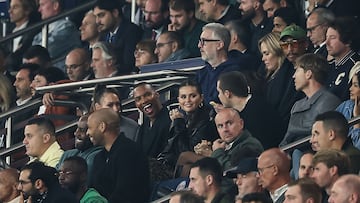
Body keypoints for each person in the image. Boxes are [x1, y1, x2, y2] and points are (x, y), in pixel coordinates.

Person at [88, 108, 150, 202]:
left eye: (90, 127)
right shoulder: (99, 158)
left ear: (102, 127)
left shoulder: (130, 152)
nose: (87, 132)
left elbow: (126, 194)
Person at [280, 53, 341, 146]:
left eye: (297, 71)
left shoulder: (328, 102)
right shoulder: (297, 105)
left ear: (308, 74)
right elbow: (287, 138)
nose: (293, 76)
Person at [215, 71, 284, 148]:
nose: (218, 96)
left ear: (227, 94)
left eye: (219, 92)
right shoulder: (246, 107)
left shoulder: (257, 111)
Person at [158, 80, 218, 166]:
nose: (188, 100)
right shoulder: (180, 117)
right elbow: (169, 148)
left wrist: (178, 123)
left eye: (193, 96)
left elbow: (187, 152)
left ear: (201, 98)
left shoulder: (207, 120)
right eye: (183, 97)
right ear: (178, 100)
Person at [258, 32, 301, 136]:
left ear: (278, 52)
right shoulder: (268, 76)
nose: (263, 59)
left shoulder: (289, 76)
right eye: (263, 54)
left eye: (267, 53)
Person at [93, 0, 142, 75]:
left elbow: (128, 64)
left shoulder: (131, 31)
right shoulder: (102, 37)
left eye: (101, 15)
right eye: (95, 17)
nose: (97, 21)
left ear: (115, 13)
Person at [196, 23, 239, 104]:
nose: (199, 45)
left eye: (203, 41)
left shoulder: (235, 73)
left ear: (219, 45)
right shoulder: (202, 73)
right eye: (199, 41)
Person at [32, 0, 81, 69]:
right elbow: (32, 53)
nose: (39, 10)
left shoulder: (67, 27)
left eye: (42, 5)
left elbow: (49, 50)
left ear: (55, 5)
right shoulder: (42, 31)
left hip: (62, 73)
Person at [56, 115, 102, 184]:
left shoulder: (96, 156)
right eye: (77, 128)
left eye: (83, 130)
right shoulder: (67, 154)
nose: (76, 133)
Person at [325, 17, 360, 101]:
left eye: (332, 38)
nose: (327, 42)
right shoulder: (329, 66)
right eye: (326, 37)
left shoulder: (356, 66)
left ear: (347, 41)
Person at [133, 82, 171, 157]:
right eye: (138, 99)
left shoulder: (170, 120)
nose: (144, 101)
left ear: (157, 95)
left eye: (147, 95)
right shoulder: (144, 126)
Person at [6, 0, 40, 70]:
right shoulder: (9, 34)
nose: (10, 11)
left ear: (27, 10)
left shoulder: (34, 31)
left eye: (15, 7)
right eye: (10, 7)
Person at [336, 65, 360, 149]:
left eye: (355, 85)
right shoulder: (346, 106)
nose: (350, 89)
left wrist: (357, 119)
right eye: (351, 84)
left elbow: (358, 148)